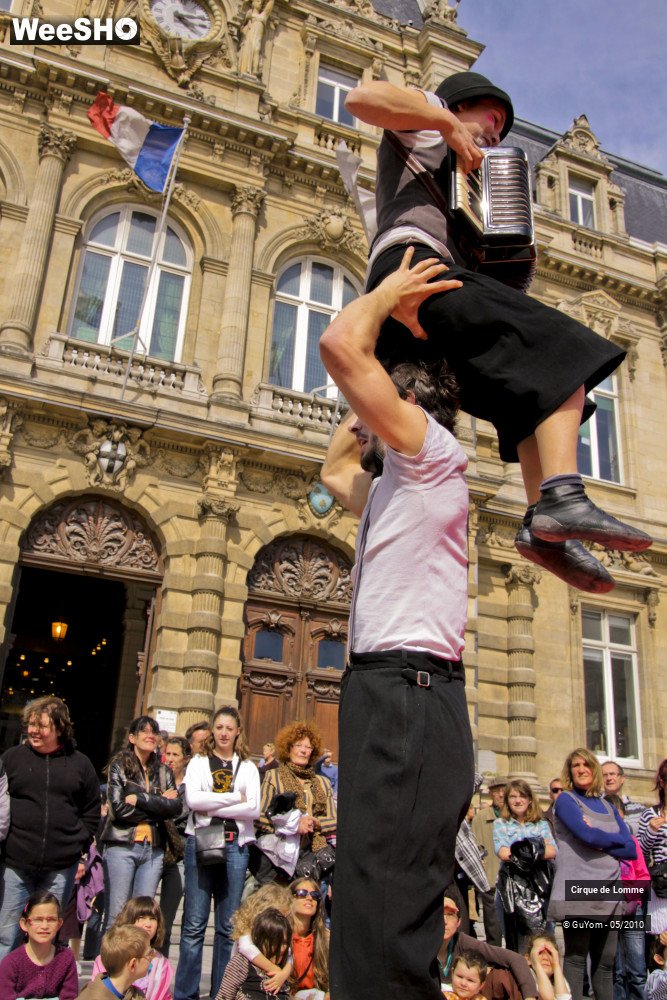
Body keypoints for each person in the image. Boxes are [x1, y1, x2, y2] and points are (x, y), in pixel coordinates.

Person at [343, 71, 651, 594]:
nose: (496, 131)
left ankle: (543, 522)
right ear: (463, 105)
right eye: (493, 118)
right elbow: (361, 98)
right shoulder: (426, 122)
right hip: (416, 270)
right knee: (565, 347)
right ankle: (561, 498)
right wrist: (442, 118)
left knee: (535, 395)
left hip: (429, 302)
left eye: (504, 127)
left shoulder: (478, 181)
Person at [320, 250, 474, 1000]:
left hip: (410, 691)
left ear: (404, 406)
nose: (360, 420)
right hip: (388, 690)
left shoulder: (431, 456)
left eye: (371, 407)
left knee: (384, 901)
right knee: (364, 894)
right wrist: (359, 410)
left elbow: (339, 347)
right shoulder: (394, 489)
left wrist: (381, 299)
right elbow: (330, 474)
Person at [0, 695, 100, 960]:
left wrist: (77, 844)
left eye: (41, 725)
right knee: (7, 935)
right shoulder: (11, 759)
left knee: (47, 937)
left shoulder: (81, 764)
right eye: (31, 724)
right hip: (15, 864)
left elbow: (91, 811)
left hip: (60, 867)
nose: (33, 730)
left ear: (59, 728)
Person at [175, 705, 261, 1000]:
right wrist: (231, 797)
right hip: (200, 842)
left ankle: (221, 995)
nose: (224, 732)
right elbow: (193, 800)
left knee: (227, 929)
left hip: (236, 846)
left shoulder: (249, 766)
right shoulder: (199, 761)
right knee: (194, 926)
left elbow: (254, 808)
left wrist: (212, 801)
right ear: (213, 730)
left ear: (238, 731)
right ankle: (185, 995)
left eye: (229, 728)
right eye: (219, 727)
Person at [547, 748, 636, 1000]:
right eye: (576, 765)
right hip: (579, 890)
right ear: (570, 771)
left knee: (605, 963)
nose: (581, 769)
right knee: (576, 958)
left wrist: (601, 838)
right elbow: (586, 835)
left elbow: (631, 849)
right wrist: (613, 839)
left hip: (610, 891)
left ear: (594, 769)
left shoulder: (608, 805)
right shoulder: (566, 800)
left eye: (586, 764)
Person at [101, 715, 181, 930]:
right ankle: (109, 964)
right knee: (117, 916)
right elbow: (117, 810)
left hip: (153, 850)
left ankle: (135, 963)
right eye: (144, 731)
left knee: (143, 918)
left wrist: (141, 800)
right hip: (122, 846)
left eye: (153, 732)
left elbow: (175, 808)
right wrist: (158, 805)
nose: (150, 735)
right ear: (132, 738)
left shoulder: (164, 772)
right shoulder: (119, 766)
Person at [254, 721, 337, 884]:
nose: (303, 750)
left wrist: (314, 823)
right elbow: (262, 817)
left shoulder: (323, 782)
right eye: (299, 745)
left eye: (308, 747)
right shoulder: (273, 776)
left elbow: (334, 820)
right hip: (279, 857)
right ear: (289, 747)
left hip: (313, 854)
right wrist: (293, 826)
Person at [493, 779, 557, 953]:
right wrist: (535, 849)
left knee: (545, 939)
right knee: (515, 942)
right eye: (513, 796)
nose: (517, 800)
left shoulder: (541, 824)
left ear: (530, 800)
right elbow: (502, 852)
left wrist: (521, 851)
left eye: (522, 796)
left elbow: (552, 850)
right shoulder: (500, 824)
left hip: (539, 887)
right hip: (511, 887)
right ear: (507, 801)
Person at [438, 891, 537, 999]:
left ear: (458, 922)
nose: (444, 921)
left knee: (503, 976)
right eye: (439, 914)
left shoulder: (460, 941)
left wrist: (530, 997)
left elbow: (515, 959)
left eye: (450, 914)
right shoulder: (419, 944)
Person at [604, 793, 649, 1000]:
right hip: (608, 910)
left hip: (634, 909)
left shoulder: (632, 842)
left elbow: (643, 876)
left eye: (618, 817)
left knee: (638, 970)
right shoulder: (599, 845)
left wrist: (629, 896)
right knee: (616, 971)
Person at [215, 883, 293, 1000]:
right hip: (244, 978)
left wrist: (284, 974)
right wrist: (274, 969)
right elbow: (247, 948)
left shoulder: (281, 951)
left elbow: (290, 954)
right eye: (277, 917)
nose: (281, 923)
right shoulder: (247, 934)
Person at [0, 890, 78, 999]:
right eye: (38, 920)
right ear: (24, 924)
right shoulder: (11, 962)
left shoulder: (66, 957)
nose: (44, 926)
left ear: (59, 924)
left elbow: (70, 996)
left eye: (51, 920)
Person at [91, 895, 173, 1000]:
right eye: (141, 918)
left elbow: (164, 996)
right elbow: (98, 989)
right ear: (129, 921)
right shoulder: (111, 954)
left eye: (153, 919)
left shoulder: (161, 963)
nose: (148, 924)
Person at [160, 735, 191, 957]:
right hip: (154, 848)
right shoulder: (153, 778)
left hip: (179, 853)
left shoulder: (191, 785)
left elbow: (185, 812)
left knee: (165, 918)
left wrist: (160, 803)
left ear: (186, 759)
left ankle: (159, 971)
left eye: (175, 755)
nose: (170, 759)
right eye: (167, 754)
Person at [471, 777, 506, 947]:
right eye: (496, 790)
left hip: (514, 885)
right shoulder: (481, 818)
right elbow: (475, 848)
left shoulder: (516, 815)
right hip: (491, 883)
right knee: (494, 934)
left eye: (504, 789)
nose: (501, 794)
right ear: (490, 793)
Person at [77, 924, 154, 999]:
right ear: (133, 964)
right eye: (149, 954)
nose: (153, 956)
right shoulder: (91, 997)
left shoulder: (136, 995)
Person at [638, 760, 667, 950]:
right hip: (662, 886)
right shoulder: (649, 814)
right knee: (660, 943)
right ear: (662, 783)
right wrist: (650, 832)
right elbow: (640, 851)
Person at [289, 877, 330, 997]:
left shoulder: (326, 938)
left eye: (315, 895)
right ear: (291, 898)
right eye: (302, 893)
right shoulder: (279, 934)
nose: (309, 898)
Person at [602, 760, 646, 835]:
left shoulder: (640, 809)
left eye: (612, 774)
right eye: (604, 775)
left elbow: (641, 835)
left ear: (622, 779)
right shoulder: (596, 805)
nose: (609, 778)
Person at [525, 931, 571, 1000]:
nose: (545, 958)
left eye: (550, 953)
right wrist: (537, 965)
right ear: (528, 959)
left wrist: (556, 965)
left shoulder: (559, 979)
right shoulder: (526, 977)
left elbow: (564, 998)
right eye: (539, 952)